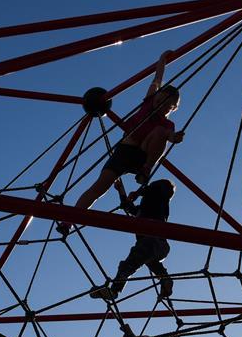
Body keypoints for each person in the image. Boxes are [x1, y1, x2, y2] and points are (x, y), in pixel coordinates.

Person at [57, 50, 184, 236]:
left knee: (160, 132)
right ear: (155, 97)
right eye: (159, 100)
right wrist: (162, 60)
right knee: (99, 187)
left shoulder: (167, 125)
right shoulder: (148, 102)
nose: (160, 105)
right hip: (125, 151)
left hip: (143, 154)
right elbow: (157, 79)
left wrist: (174, 138)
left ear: (172, 109)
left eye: (166, 105)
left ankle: (146, 169)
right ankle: (68, 222)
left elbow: (169, 136)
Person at [91, 179, 176, 301]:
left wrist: (138, 192)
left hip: (152, 242)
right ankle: (165, 279)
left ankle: (114, 291)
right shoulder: (145, 209)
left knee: (130, 263)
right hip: (159, 245)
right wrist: (121, 190)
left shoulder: (160, 202)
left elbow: (153, 192)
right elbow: (128, 207)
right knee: (150, 261)